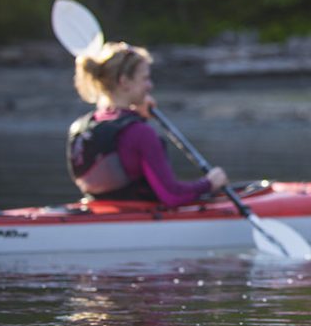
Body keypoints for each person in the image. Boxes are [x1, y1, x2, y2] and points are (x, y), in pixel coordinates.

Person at [67, 41, 229, 206]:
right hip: (136, 218)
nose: (150, 85)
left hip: (100, 211)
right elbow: (172, 196)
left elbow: (120, 136)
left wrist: (137, 113)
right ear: (124, 82)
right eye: (145, 78)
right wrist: (209, 183)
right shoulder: (139, 132)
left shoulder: (82, 126)